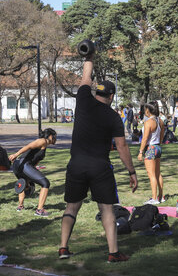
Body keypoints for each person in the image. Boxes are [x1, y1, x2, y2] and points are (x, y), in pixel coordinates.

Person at [58, 51, 138, 263]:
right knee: (106, 210)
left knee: (71, 207)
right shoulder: (113, 117)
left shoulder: (83, 100)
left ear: (96, 92)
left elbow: (85, 77)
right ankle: (113, 253)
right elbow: (121, 146)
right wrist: (132, 172)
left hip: (76, 164)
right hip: (99, 167)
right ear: (111, 97)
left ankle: (63, 248)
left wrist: (90, 55)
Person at [8, 128, 56, 216]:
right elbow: (29, 146)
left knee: (23, 182)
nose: (55, 138)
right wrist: (15, 154)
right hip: (23, 164)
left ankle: (20, 206)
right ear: (50, 136)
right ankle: (39, 210)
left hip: (18, 165)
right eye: (55, 136)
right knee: (45, 183)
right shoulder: (43, 141)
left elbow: (34, 161)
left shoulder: (44, 145)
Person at [138, 101, 166, 205]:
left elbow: (145, 138)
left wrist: (141, 152)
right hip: (158, 147)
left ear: (148, 110)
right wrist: (159, 144)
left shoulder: (149, 122)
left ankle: (154, 198)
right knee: (158, 173)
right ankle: (161, 196)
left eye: (145, 109)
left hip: (151, 148)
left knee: (152, 175)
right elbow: (162, 135)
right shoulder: (160, 121)